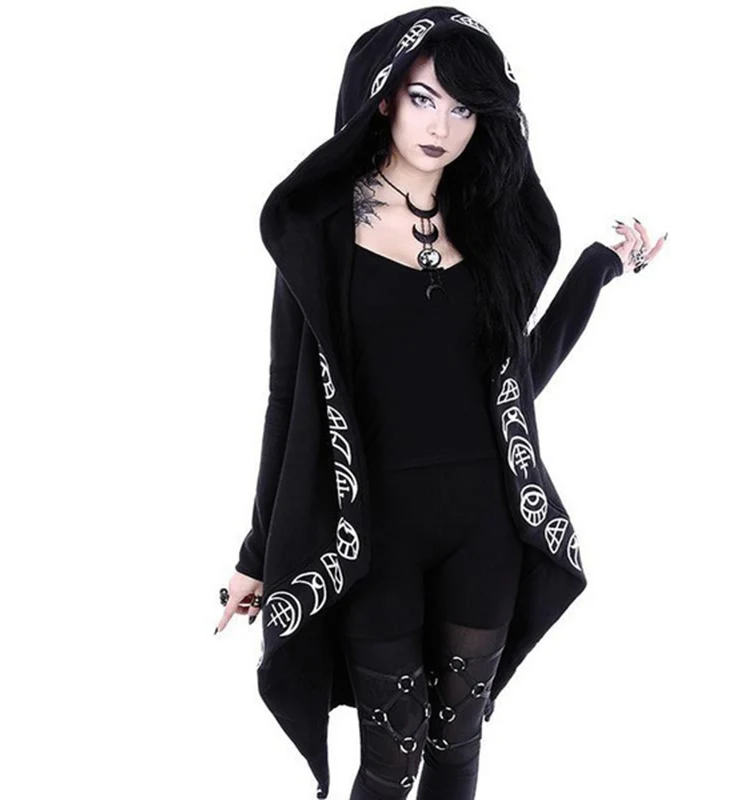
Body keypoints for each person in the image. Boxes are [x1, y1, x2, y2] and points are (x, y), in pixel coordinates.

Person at [215, 7, 667, 799]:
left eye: (464, 108)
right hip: (373, 534)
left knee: (457, 750)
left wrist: (599, 267)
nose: (442, 126)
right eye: (425, 98)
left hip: (482, 527)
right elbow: (287, 396)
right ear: (385, 94)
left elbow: (519, 376)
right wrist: (258, 552)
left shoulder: (490, 229)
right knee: (391, 764)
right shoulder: (317, 231)